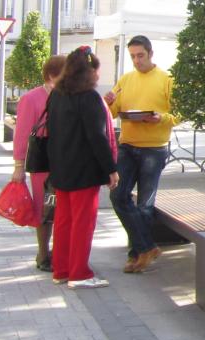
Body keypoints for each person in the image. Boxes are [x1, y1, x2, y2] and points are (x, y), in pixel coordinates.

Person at [46, 46, 119, 289]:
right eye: (96, 70)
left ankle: (61, 269)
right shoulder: (89, 98)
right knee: (83, 222)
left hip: (61, 167)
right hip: (84, 169)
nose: (98, 76)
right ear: (89, 72)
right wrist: (111, 168)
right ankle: (79, 273)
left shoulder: (56, 95)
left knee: (64, 220)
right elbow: (97, 138)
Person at [104, 34, 176, 274]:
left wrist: (160, 117)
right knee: (118, 196)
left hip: (154, 149)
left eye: (140, 56)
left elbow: (180, 113)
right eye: (133, 56)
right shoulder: (125, 79)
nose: (136, 61)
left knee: (145, 205)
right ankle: (147, 247)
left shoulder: (167, 80)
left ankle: (136, 254)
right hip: (127, 145)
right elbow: (111, 112)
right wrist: (109, 102)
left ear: (151, 53)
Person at [10, 54, 67, 272]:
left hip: (65, 163)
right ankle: (43, 253)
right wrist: (18, 166)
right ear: (53, 75)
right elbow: (22, 133)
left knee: (61, 209)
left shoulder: (68, 96)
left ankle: (58, 253)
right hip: (43, 164)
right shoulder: (32, 98)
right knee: (45, 208)